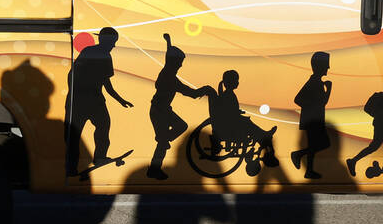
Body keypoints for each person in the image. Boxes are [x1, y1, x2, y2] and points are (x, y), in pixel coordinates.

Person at [65, 26, 133, 175]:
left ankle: (83, 163)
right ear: (104, 41)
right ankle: (93, 159)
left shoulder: (92, 53)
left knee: (98, 126)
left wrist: (120, 100)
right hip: (85, 100)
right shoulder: (99, 55)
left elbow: (74, 75)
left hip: (90, 100)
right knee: (79, 133)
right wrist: (120, 100)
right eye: (113, 42)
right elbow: (106, 84)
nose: (114, 46)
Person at [147, 33, 213, 179]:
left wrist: (168, 41)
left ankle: (164, 139)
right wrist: (205, 89)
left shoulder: (166, 71)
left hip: (164, 110)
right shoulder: (170, 79)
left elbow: (169, 52)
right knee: (163, 143)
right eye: (179, 63)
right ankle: (154, 168)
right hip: (159, 112)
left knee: (181, 126)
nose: (181, 65)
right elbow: (191, 93)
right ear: (174, 63)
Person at [208, 69, 278, 167]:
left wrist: (238, 112)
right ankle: (264, 136)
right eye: (236, 80)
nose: (237, 82)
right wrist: (238, 112)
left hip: (231, 124)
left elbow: (230, 110)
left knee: (248, 123)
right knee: (248, 123)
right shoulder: (228, 95)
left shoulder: (227, 94)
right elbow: (229, 113)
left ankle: (264, 136)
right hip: (230, 127)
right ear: (231, 82)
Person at [291, 51, 333, 179]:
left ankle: (308, 170)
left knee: (314, 145)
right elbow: (298, 99)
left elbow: (321, 103)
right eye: (326, 65)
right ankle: (298, 155)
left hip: (314, 119)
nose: (328, 67)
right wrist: (329, 90)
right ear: (320, 66)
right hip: (312, 120)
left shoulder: (317, 82)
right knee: (323, 143)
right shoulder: (314, 82)